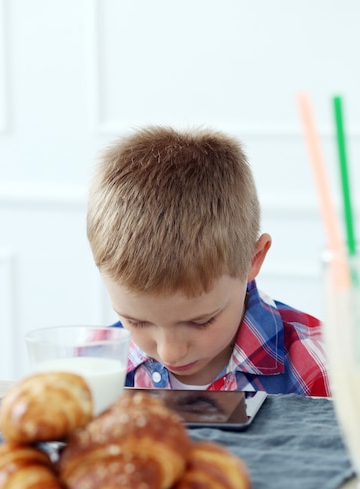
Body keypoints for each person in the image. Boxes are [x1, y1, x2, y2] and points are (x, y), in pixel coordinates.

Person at [87, 126, 330, 397]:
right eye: (137, 322)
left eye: (201, 322)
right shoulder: (89, 370)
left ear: (254, 259)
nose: (171, 352)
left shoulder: (327, 366)